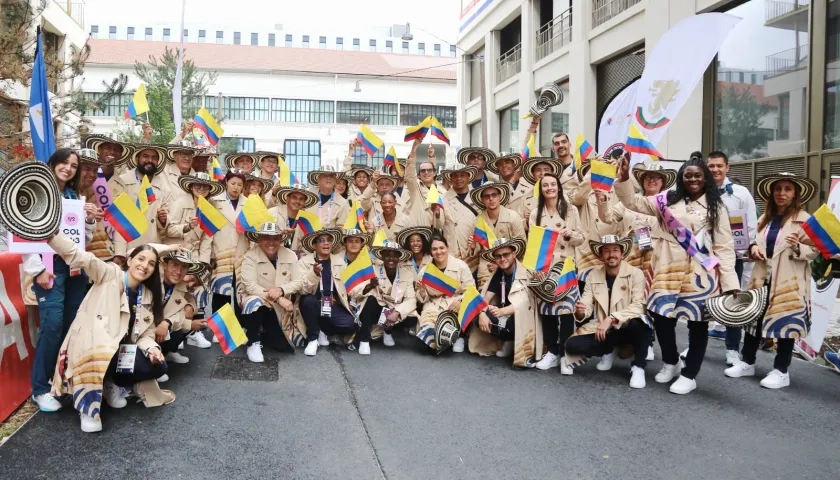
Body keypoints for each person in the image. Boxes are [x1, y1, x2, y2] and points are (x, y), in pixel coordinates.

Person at [615, 156, 739, 395]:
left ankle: (690, 374)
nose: (692, 179)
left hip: (700, 273)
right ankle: (671, 361)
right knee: (662, 319)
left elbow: (724, 246)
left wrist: (730, 282)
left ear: (705, 179)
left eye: (697, 175)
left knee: (697, 325)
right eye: (688, 175)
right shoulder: (666, 200)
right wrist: (623, 178)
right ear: (682, 178)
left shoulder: (716, 206)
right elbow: (632, 201)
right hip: (666, 269)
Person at [45, 231, 183, 433]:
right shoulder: (108, 273)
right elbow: (79, 256)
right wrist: (50, 236)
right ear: (129, 260)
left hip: (120, 349)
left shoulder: (147, 294)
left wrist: (153, 349)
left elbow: (145, 334)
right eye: (141, 259)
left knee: (158, 366)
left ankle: (111, 383)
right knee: (98, 352)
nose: (144, 266)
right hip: (93, 344)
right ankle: (88, 409)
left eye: (151, 264)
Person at [724, 172, 818, 389]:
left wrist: (797, 246)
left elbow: (815, 251)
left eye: (787, 189)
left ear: (795, 194)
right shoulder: (764, 218)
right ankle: (748, 362)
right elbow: (753, 241)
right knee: (753, 320)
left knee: (787, 323)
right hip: (761, 277)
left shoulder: (806, 220)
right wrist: (753, 247)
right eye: (778, 189)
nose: (782, 193)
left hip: (789, 280)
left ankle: (781, 370)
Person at [26, 149, 101, 412]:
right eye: (64, 163)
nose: (68, 169)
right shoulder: (35, 192)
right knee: (53, 324)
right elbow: (21, 234)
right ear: (53, 163)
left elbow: (83, 241)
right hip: (48, 269)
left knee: (71, 326)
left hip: (75, 270)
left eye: (73, 165)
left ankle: (60, 381)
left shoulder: (73, 197)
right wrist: (37, 268)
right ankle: (40, 388)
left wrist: (89, 220)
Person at [565, 235, 650, 388]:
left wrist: (612, 318)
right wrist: (580, 312)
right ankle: (610, 348)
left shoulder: (636, 273)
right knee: (572, 345)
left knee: (641, 324)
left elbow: (639, 306)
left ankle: (638, 367)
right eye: (607, 251)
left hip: (626, 325)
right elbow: (586, 302)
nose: (611, 254)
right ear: (601, 255)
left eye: (615, 250)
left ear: (622, 254)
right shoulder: (593, 275)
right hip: (603, 329)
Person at [277, 229, 374, 354]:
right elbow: (302, 289)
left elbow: (349, 287)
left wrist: (367, 288)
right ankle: (313, 338)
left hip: (332, 304)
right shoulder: (303, 263)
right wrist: (314, 274)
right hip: (312, 304)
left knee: (349, 325)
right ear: (314, 245)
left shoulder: (340, 262)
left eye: (328, 240)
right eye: (321, 241)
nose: (326, 243)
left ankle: (323, 329)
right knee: (308, 301)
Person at [528, 173, 584, 374]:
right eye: (545, 185)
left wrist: (571, 235)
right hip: (545, 267)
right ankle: (552, 351)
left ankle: (566, 355)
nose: (549, 188)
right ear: (541, 190)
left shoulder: (570, 210)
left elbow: (581, 238)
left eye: (553, 184)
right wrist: (536, 270)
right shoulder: (535, 213)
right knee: (548, 312)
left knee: (567, 313)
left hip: (566, 266)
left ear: (559, 187)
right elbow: (533, 244)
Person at [706, 151, 758, 366]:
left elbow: (751, 224)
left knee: (733, 302)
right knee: (701, 301)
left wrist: (745, 248)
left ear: (727, 168)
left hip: (731, 258)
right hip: (704, 258)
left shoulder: (740, 193)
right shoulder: (700, 192)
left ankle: (732, 349)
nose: (715, 170)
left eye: (719, 166)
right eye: (711, 166)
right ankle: (695, 343)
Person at [469, 238, 543, 368]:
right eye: (498, 256)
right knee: (476, 315)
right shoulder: (498, 273)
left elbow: (524, 301)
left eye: (506, 254)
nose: (502, 259)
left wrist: (502, 311)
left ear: (514, 254)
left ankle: (518, 344)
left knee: (515, 318)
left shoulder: (526, 271)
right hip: (504, 313)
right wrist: (481, 314)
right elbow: (485, 298)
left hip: (522, 317)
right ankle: (508, 340)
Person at [237, 222, 297, 362]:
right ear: (259, 239)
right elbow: (250, 286)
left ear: (280, 240)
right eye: (266, 238)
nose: (271, 242)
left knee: (281, 346)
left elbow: (298, 281)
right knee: (254, 302)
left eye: (275, 238)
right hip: (258, 300)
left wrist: (282, 290)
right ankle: (253, 341)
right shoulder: (250, 256)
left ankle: (260, 329)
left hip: (279, 308)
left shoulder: (290, 255)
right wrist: (278, 298)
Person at [109, 144, 173, 265]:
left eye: (154, 157)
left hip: (152, 248)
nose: (150, 160)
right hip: (128, 248)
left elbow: (166, 224)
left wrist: (163, 219)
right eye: (145, 156)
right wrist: (119, 253)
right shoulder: (122, 181)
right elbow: (117, 221)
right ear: (137, 158)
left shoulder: (165, 188)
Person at [414, 235, 476, 352]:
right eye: (435, 249)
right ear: (431, 252)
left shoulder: (461, 266)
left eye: (441, 248)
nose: (439, 252)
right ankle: (441, 338)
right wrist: (422, 291)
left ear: (447, 248)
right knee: (427, 338)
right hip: (433, 305)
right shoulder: (425, 271)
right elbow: (423, 299)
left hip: (454, 304)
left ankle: (458, 336)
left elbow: (472, 290)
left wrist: (460, 301)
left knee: (446, 329)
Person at [208, 169, 251, 320]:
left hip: (242, 252)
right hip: (221, 251)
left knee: (241, 291)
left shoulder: (249, 203)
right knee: (221, 293)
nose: (235, 187)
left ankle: (241, 326)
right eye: (233, 183)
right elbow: (209, 230)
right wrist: (210, 253)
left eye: (240, 184)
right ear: (226, 182)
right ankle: (220, 331)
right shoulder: (214, 201)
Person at [571, 159, 624, 282]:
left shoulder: (617, 191)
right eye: (594, 171)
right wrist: (592, 171)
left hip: (611, 252)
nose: (598, 174)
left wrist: (620, 172)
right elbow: (576, 198)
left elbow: (633, 190)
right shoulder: (581, 194)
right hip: (587, 254)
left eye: (602, 170)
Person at [466, 182, 526, 287]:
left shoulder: (513, 217)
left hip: (510, 264)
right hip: (487, 267)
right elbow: (478, 251)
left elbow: (521, 247)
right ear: (482, 200)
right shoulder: (478, 221)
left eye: (494, 195)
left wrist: (500, 265)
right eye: (486, 196)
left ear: (500, 196)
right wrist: (473, 247)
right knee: (485, 296)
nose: (491, 199)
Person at [361, 241, 417, 348]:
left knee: (412, 317)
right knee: (370, 300)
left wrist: (397, 312)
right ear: (382, 257)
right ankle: (364, 341)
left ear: (399, 258)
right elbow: (360, 292)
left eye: (395, 256)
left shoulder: (407, 273)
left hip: (394, 308)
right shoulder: (373, 270)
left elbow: (411, 299)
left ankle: (387, 331)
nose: (391, 259)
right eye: (387, 256)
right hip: (378, 307)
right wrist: (369, 286)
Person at [157, 252, 206, 367]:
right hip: (147, 332)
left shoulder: (180, 284)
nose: (178, 271)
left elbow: (190, 298)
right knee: (157, 370)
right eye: (174, 264)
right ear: (165, 265)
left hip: (166, 325)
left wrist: (189, 307)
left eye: (184, 267)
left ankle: (167, 352)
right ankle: (154, 359)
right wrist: (188, 324)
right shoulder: (154, 283)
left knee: (186, 317)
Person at [435, 164, 480, 272]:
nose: (459, 179)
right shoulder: (442, 198)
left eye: (462, 175)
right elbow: (438, 224)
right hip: (452, 253)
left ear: (468, 176)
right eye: (455, 176)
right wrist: (436, 212)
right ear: (450, 178)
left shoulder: (477, 197)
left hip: (473, 252)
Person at [76, 148, 115, 262]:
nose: (92, 174)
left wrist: (92, 218)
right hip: (64, 259)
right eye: (87, 169)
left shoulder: (97, 190)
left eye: (95, 170)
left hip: (98, 255)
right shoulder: (63, 192)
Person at [269, 183, 319, 254]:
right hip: (272, 257)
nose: (297, 201)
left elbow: (308, 248)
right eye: (294, 197)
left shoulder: (306, 220)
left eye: (301, 199)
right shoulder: (272, 213)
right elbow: (264, 238)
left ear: (304, 202)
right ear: (287, 198)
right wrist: (280, 234)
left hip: (296, 261)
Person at [306, 164, 351, 228]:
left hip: (328, 237)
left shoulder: (343, 203)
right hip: (306, 235)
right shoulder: (307, 195)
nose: (328, 178)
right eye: (325, 175)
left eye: (331, 175)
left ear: (335, 180)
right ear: (318, 180)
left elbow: (342, 227)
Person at [520, 157, 562, 226]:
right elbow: (518, 225)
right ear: (533, 174)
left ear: (552, 173)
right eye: (538, 170)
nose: (542, 173)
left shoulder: (562, 196)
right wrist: (528, 221)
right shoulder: (525, 198)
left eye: (546, 170)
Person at [550, 132, 580, 200]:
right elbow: (529, 151)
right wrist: (533, 127)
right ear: (553, 148)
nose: (560, 145)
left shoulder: (580, 167)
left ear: (570, 144)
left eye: (564, 142)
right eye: (556, 143)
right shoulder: (550, 169)